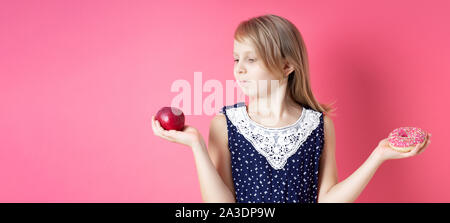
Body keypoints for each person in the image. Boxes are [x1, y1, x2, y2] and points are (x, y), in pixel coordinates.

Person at [151, 14, 431, 203]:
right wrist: (197, 145)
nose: (239, 70)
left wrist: (378, 155)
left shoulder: (319, 125)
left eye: (251, 60)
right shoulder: (225, 123)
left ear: (287, 66)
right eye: (236, 59)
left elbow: (328, 199)